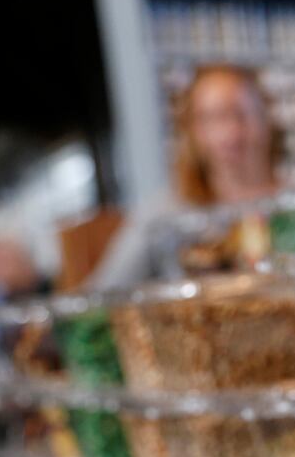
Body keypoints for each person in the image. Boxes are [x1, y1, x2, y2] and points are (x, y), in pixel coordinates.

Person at [86, 63, 284, 288]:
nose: (231, 131)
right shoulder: (165, 215)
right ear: (194, 131)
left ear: (267, 117)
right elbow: (102, 293)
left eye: (241, 112)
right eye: (212, 118)